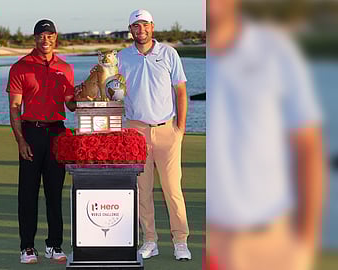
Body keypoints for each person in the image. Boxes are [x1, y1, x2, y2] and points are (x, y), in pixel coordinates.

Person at [206, 0, 325, 269]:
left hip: (268, 242)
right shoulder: (182, 62)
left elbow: (309, 146)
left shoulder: (276, 50)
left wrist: (306, 242)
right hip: (209, 245)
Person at [117, 9, 191, 261]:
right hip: (135, 131)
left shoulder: (169, 53)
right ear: (131, 30)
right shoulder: (122, 57)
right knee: (142, 189)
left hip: (166, 130)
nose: (141, 30)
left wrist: (180, 128)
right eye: (136, 27)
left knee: (172, 189)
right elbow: (113, 93)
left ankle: (180, 240)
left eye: (145, 25)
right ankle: (150, 239)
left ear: (152, 26)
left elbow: (180, 91)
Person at [6, 19, 76, 264]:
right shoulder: (20, 67)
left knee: (55, 192)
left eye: (50, 35)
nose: (45, 40)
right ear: (34, 38)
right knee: (28, 193)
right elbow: (15, 107)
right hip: (31, 133)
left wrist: (89, 90)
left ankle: (54, 245)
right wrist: (20, 140)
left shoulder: (65, 68)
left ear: (55, 37)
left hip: (58, 133)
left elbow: (71, 104)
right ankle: (27, 247)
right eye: (41, 36)